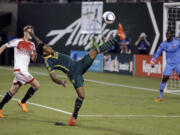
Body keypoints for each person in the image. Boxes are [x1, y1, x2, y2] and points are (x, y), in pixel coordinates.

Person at [32, 23, 125, 126]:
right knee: (81, 96)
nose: (49, 47)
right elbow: (53, 77)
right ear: (44, 53)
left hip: (79, 64)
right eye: (47, 47)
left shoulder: (46, 50)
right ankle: (74, 116)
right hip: (73, 74)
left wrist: (33, 35)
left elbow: (40, 44)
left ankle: (118, 36)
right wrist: (61, 82)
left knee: (95, 51)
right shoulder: (48, 61)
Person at [0, 25, 40, 118]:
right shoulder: (17, 41)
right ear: (25, 32)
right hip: (19, 70)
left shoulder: (32, 45)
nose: (31, 34)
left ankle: (0, 107)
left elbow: (33, 59)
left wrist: (36, 51)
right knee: (37, 85)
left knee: (13, 91)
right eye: (29, 32)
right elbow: (5, 45)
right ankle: (23, 102)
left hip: (23, 71)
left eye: (32, 33)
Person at [151, 29, 180, 102]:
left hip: (178, 63)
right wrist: (153, 60)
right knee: (164, 78)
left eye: (169, 34)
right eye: (166, 34)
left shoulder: (178, 41)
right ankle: (160, 96)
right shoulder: (163, 44)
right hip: (169, 64)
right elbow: (158, 53)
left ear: (172, 35)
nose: (167, 35)